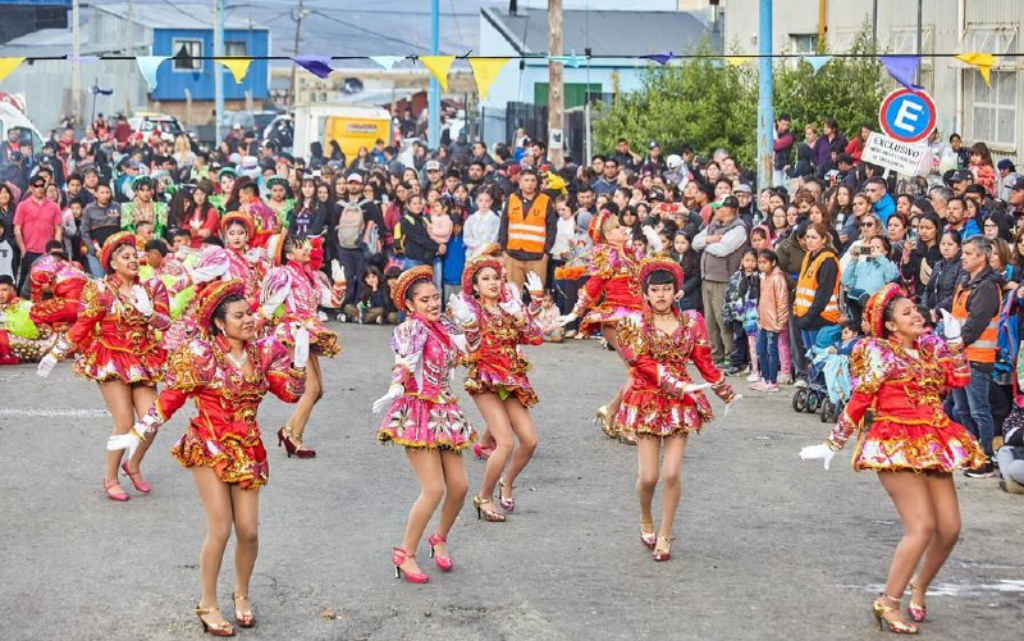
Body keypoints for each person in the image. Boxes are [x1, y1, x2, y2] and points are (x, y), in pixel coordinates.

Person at [108, 280, 308, 635]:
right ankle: (208, 603)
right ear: (220, 322)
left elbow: (291, 394)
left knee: (248, 531)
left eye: (249, 313)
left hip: (247, 447)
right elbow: (171, 398)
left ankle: (242, 594)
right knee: (220, 527)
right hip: (209, 444)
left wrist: (299, 364)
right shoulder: (201, 355)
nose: (249, 320)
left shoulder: (262, 352)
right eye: (240, 315)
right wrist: (139, 430)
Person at [800, 284, 987, 635]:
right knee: (921, 528)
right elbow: (859, 399)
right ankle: (888, 601)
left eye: (916, 309)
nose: (916, 315)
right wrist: (832, 443)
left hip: (933, 440)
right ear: (889, 326)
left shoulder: (930, 350)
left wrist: (956, 344)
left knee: (949, 529)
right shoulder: (879, 353)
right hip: (894, 441)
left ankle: (919, 586)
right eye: (906, 313)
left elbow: (958, 379)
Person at [615, 256, 739, 562]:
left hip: (680, 404)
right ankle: (646, 517)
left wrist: (727, 393)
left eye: (666, 289)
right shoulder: (634, 323)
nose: (660, 295)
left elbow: (704, 362)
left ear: (676, 292)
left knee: (671, 473)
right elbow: (638, 362)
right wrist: (672, 382)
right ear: (645, 293)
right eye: (655, 289)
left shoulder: (692, 322)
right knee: (649, 477)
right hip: (646, 399)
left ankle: (666, 535)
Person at [36, 232, 171, 501]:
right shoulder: (101, 290)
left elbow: (167, 323)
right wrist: (56, 353)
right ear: (112, 263)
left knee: (152, 420)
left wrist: (151, 314)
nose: (133, 260)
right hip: (111, 357)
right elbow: (83, 325)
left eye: (135, 255)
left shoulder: (152, 288)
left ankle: (132, 465)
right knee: (124, 422)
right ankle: (110, 478)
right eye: (126, 256)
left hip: (143, 358)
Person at [372, 265, 475, 583]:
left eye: (435, 297)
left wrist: (468, 320)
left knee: (459, 487)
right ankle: (405, 553)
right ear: (410, 305)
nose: (433, 303)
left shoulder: (443, 326)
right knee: (433, 489)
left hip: (444, 410)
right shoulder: (411, 329)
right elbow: (404, 360)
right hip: (417, 412)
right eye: (425, 299)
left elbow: (470, 351)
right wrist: (396, 385)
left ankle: (439, 537)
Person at [450, 252, 542, 522]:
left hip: (512, 379)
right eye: (486, 279)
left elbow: (535, 338)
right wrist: (468, 326)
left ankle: (507, 482)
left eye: (497, 278)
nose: (493, 283)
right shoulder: (472, 312)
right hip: (486, 380)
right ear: (475, 286)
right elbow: (471, 350)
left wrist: (521, 316)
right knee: (504, 442)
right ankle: (484, 497)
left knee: (530, 440)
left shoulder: (510, 307)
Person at [558, 209, 656, 442]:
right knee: (639, 370)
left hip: (638, 317)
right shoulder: (606, 254)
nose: (622, 229)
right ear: (607, 236)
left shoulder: (631, 254)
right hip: (617, 318)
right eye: (615, 227)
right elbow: (594, 284)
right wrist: (574, 312)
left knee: (641, 370)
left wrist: (657, 244)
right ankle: (625, 423)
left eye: (620, 226)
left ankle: (611, 411)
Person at [261, 234, 346, 458]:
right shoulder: (284, 274)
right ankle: (293, 436)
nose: (307, 249)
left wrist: (340, 282)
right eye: (301, 248)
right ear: (289, 255)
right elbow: (268, 306)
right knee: (313, 389)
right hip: (294, 332)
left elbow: (333, 302)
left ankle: (288, 430)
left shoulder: (314, 277)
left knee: (318, 391)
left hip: (310, 331)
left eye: (307, 246)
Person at [950, 236, 1001, 477]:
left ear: (982, 256)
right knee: (962, 410)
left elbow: (976, 324)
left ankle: (985, 458)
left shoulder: (987, 286)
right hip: (961, 356)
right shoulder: (967, 281)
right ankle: (970, 452)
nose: (963, 256)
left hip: (976, 357)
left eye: (969, 253)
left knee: (979, 410)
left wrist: (956, 343)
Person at [692, 196, 749, 364]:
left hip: (724, 280)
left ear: (729, 209)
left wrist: (706, 245)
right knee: (709, 319)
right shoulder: (713, 225)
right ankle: (715, 354)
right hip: (707, 278)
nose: (715, 211)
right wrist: (709, 240)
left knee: (723, 319)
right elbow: (695, 242)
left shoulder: (739, 228)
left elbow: (723, 249)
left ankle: (730, 355)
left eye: (719, 207)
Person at [793, 223, 841, 374]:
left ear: (824, 239)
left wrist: (808, 317)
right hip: (805, 316)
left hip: (820, 318)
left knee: (820, 359)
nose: (809, 240)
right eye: (807, 237)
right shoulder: (809, 256)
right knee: (811, 357)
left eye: (814, 237)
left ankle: (821, 391)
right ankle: (813, 388)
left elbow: (823, 295)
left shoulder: (828, 260)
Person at [499, 168, 556, 291]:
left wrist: (546, 253)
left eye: (532, 180)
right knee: (514, 295)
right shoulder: (511, 199)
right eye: (526, 180)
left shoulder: (545, 201)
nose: (529, 183)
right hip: (513, 256)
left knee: (537, 294)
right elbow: (503, 225)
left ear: (537, 183)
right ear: (520, 182)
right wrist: (503, 251)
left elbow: (552, 229)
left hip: (538, 257)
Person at [14, 175, 63, 294]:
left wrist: (56, 249)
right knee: (25, 282)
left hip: (48, 252)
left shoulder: (54, 206)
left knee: (50, 282)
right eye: (36, 186)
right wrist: (22, 249)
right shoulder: (23, 205)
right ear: (31, 188)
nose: (40, 188)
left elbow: (58, 228)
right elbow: (17, 228)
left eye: (42, 185)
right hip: (29, 251)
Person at [753, 249, 789, 392]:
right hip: (763, 320)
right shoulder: (764, 277)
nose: (761, 265)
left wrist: (781, 322)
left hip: (773, 322)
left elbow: (782, 301)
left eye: (764, 262)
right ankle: (764, 378)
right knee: (761, 350)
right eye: (760, 262)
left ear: (773, 263)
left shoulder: (777, 278)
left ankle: (772, 381)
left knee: (771, 351)